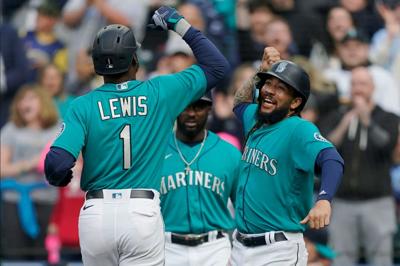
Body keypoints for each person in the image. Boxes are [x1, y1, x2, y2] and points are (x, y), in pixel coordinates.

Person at [44, 5, 229, 266]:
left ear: (96, 65)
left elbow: (57, 163)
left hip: (96, 213)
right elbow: (217, 65)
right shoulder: (160, 91)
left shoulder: (82, 105)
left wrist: (60, 176)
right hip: (141, 211)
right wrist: (178, 24)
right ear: (134, 60)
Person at [228, 47, 344, 266]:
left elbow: (332, 159)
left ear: (295, 103)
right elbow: (240, 103)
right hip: (240, 247)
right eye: (268, 84)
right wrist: (259, 72)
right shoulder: (256, 119)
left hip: (278, 250)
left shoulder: (299, 129)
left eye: (280, 88)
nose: (270, 91)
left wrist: (324, 200)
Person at [320, 66, 399, 266]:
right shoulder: (337, 115)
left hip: (378, 201)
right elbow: (326, 147)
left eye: (363, 84)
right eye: (354, 84)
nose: (358, 89)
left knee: (381, 258)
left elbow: (386, 145)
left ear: (373, 87)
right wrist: (346, 122)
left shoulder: (388, 117)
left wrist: (367, 121)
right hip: (342, 201)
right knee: (340, 258)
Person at [160, 93, 241, 266]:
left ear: (209, 109)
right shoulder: (155, 152)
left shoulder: (230, 153)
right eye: (186, 106)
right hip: (167, 247)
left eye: (198, 107)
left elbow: (242, 207)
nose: (191, 113)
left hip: (215, 248)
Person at [0, 85, 59, 260]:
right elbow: (2, 168)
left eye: (31, 98)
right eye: (21, 100)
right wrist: (31, 163)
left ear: (43, 102)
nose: (24, 103)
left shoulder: (58, 129)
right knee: (15, 254)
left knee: (44, 254)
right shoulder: (11, 129)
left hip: (48, 198)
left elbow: (74, 163)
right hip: (14, 200)